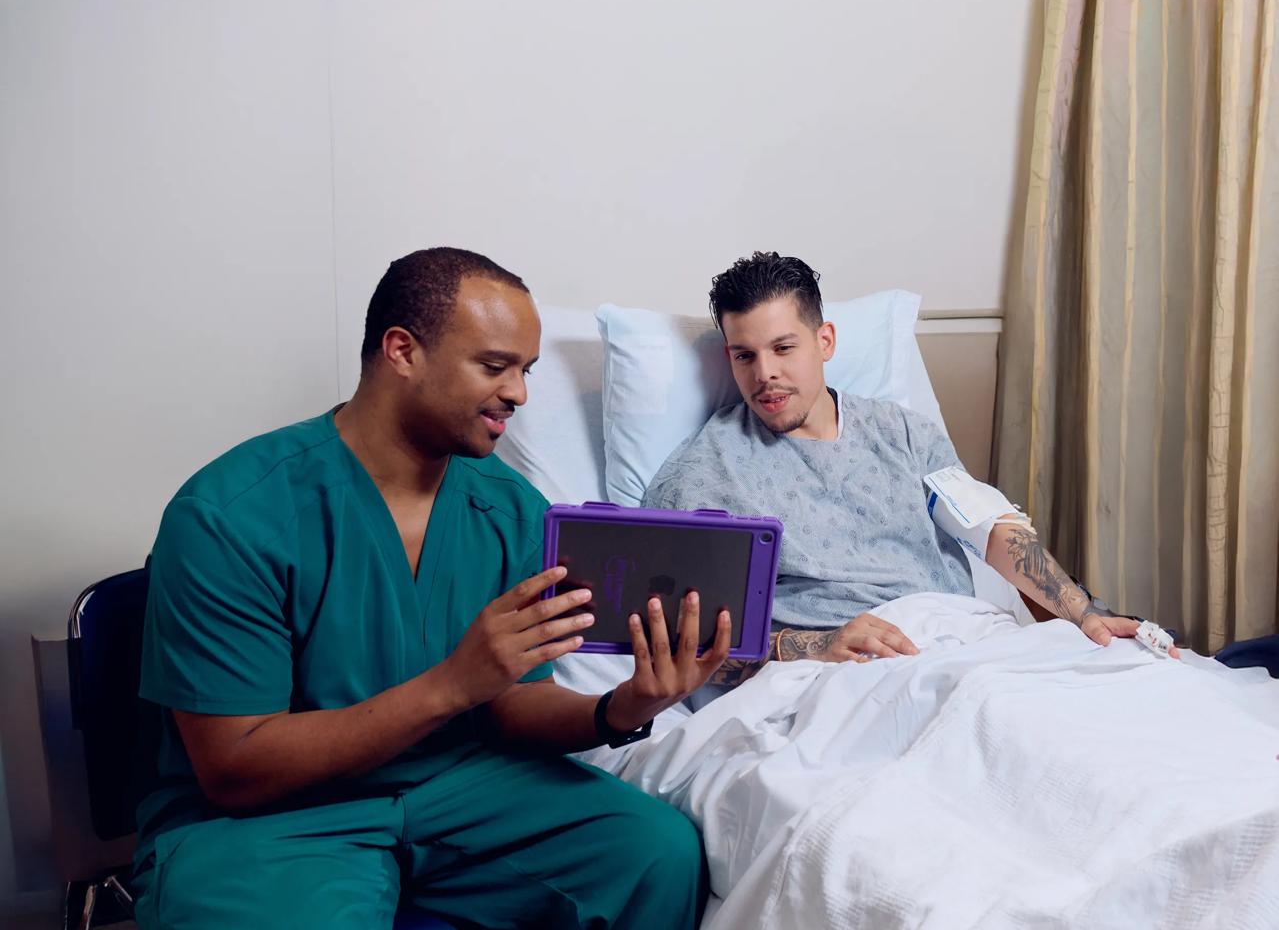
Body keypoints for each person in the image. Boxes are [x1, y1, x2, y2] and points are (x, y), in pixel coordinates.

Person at [132, 247, 732, 929]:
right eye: (494, 365)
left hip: (455, 784)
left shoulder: (511, 509)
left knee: (655, 851)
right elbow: (234, 769)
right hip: (274, 821)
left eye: (526, 371)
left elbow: (513, 702)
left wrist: (621, 707)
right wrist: (453, 683)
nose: (519, 393)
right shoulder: (232, 514)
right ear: (401, 351)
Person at [642, 251, 1175, 686]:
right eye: (744, 356)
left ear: (824, 341)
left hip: (961, 644)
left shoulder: (902, 433)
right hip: (837, 677)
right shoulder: (701, 478)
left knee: (1139, 690)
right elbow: (688, 648)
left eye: (783, 348)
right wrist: (813, 646)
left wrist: (1082, 613)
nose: (766, 375)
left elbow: (990, 529)